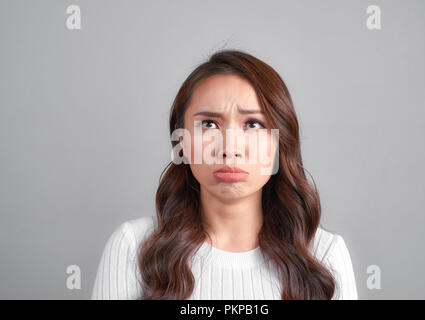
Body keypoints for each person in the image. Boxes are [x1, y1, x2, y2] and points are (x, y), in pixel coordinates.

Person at [91, 49, 358, 300]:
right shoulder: (134, 248)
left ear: (280, 142)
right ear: (181, 140)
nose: (230, 148)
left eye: (253, 124)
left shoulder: (324, 256)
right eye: (209, 124)